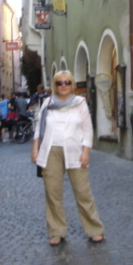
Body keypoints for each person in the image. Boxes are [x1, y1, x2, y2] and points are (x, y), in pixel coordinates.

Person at [31, 70, 105, 246]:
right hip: (51, 151)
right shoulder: (47, 103)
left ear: (72, 85)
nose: (63, 86)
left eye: (67, 82)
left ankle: (95, 229)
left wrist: (86, 152)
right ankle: (56, 231)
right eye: (59, 83)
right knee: (53, 194)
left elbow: (88, 129)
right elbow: (39, 128)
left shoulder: (80, 103)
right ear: (55, 86)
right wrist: (35, 149)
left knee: (83, 192)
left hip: (75, 152)